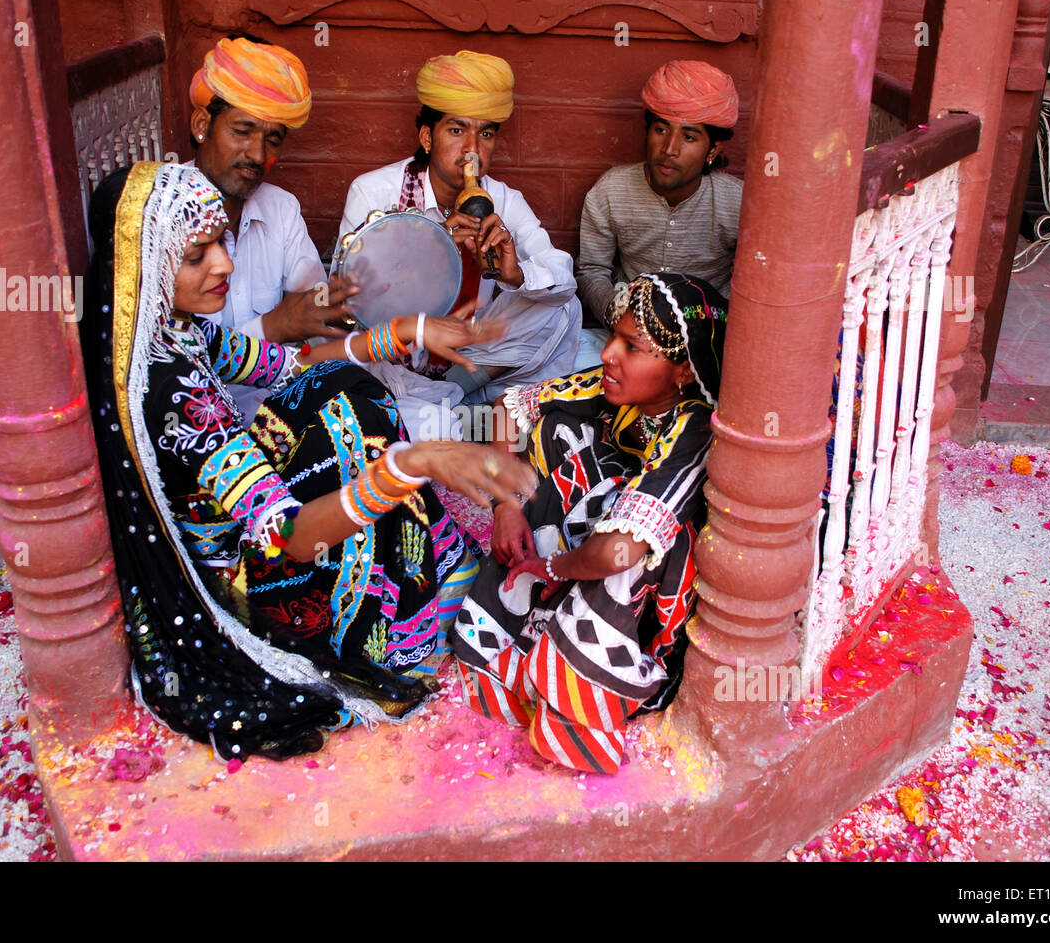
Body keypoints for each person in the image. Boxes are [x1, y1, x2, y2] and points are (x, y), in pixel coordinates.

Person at [80, 161, 537, 761]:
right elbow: (291, 537)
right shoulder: (173, 392)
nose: (224, 263)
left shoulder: (168, 328)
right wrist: (412, 464)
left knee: (341, 383)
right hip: (246, 573)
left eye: (221, 242)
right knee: (359, 428)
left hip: (249, 515)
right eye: (197, 254)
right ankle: (397, 609)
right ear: (145, 261)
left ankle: (423, 560)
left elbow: (286, 365)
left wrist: (408, 330)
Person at [450, 272, 727, 774]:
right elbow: (504, 410)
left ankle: (580, 695)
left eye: (632, 347)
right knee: (556, 431)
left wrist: (555, 567)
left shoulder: (692, 428)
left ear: (683, 371)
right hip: (580, 550)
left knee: (629, 538)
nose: (607, 355)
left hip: (635, 590)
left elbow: (614, 552)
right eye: (613, 337)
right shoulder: (613, 392)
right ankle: (523, 638)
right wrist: (507, 506)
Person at [339, 50, 582, 438]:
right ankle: (457, 408)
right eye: (457, 130)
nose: (472, 149)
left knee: (562, 306)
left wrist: (516, 274)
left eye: (485, 133)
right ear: (426, 137)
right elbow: (353, 304)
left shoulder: (502, 199)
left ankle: (450, 393)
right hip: (399, 351)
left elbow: (561, 272)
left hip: (466, 350)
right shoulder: (373, 193)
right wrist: (432, 258)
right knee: (352, 363)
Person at [188, 35, 359, 421]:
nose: (258, 155)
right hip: (202, 420)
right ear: (202, 126)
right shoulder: (165, 217)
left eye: (272, 139)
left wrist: (355, 300)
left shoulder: (279, 208)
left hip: (284, 400)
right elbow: (173, 358)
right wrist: (273, 326)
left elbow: (316, 306)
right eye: (242, 131)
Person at [576, 60, 742, 328]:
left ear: (713, 149)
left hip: (709, 333)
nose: (669, 149)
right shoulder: (611, 191)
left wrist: (715, 326)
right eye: (661, 130)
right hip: (630, 330)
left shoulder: (736, 203)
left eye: (689, 137)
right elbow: (592, 271)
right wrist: (620, 318)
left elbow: (752, 281)